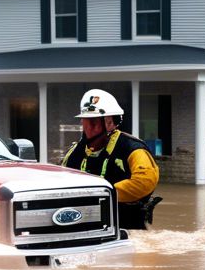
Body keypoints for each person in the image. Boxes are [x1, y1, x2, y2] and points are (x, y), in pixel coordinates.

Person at [62, 89, 161, 230]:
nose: (89, 128)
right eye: (85, 121)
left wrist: (101, 195)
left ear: (110, 123)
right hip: (84, 229)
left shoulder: (132, 149)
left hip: (127, 232)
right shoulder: (74, 153)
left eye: (94, 122)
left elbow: (145, 182)